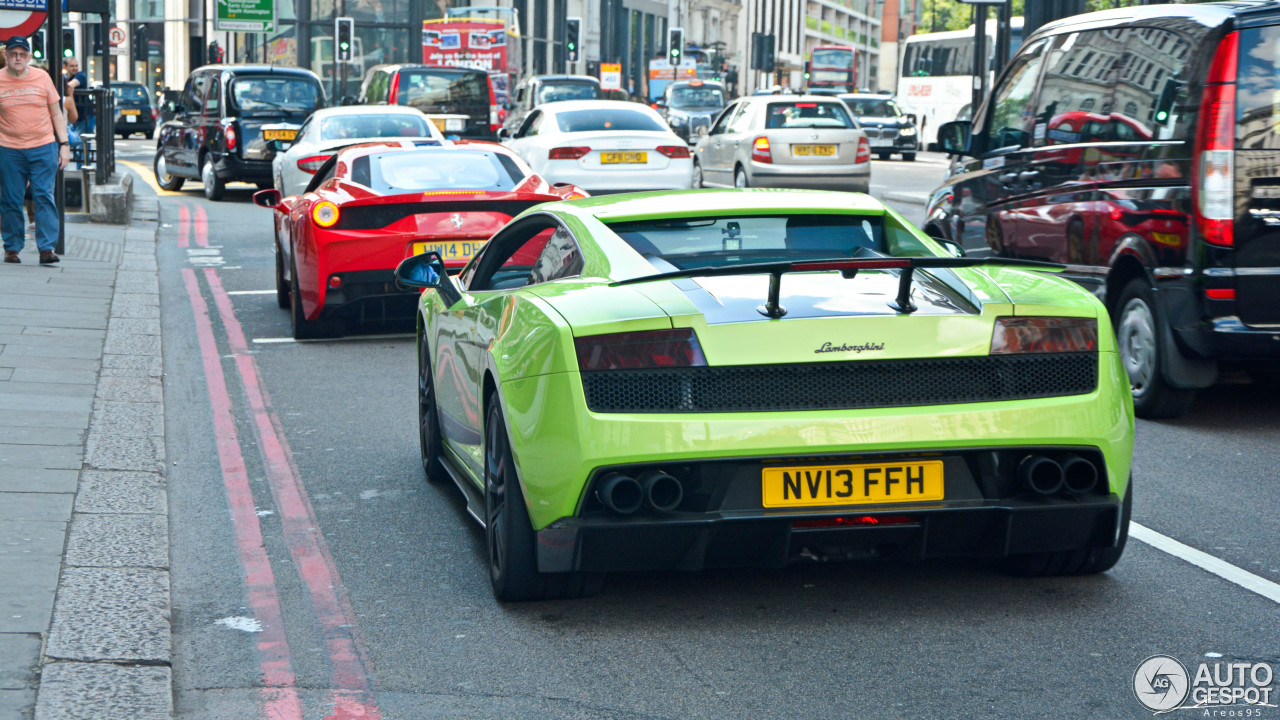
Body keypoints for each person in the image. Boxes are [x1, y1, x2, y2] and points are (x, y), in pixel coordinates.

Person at [0, 36, 72, 264]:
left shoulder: (42, 78)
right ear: (6, 56)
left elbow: (56, 114)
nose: (18, 58)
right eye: (13, 54)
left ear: (29, 57)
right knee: (11, 199)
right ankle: (12, 248)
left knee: (44, 196)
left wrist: (64, 146)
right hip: (9, 149)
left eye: (22, 54)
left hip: (43, 146)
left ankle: (47, 249)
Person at [63, 56, 92, 135]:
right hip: (73, 116)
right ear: (65, 67)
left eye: (76, 66)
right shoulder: (64, 77)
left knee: (82, 144)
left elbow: (70, 85)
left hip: (84, 116)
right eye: (72, 66)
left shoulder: (80, 75)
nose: (75, 68)